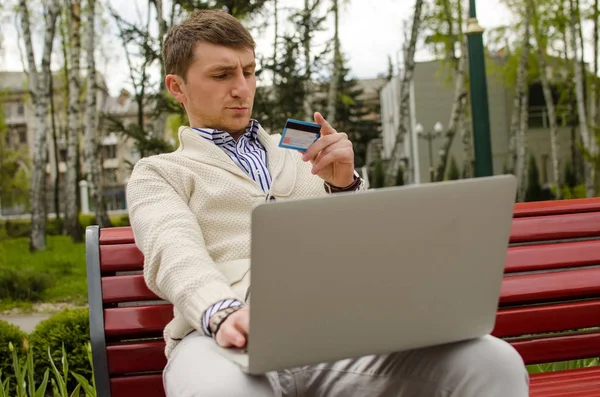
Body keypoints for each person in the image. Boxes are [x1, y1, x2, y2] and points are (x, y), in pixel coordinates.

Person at [126, 9, 529, 397]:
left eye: (249, 72)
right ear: (177, 87)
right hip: (216, 339)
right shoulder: (160, 172)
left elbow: (369, 254)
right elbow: (173, 250)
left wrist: (346, 189)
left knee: (492, 362)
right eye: (222, 75)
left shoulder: (305, 156)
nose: (242, 88)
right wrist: (221, 311)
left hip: (336, 339)